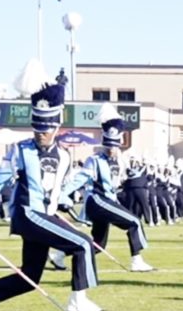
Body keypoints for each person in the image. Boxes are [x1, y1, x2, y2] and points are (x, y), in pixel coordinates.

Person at [0, 83, 103, 311]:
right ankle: (78, 300)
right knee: (83, 244)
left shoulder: (65, 156)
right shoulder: (20, 151)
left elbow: (57, 188)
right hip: (28, 214)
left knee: (30, 277)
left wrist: (64, 200)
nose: (40, 132)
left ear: (57, 126)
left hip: (44, 216)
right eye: (37, 127)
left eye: (46, 128)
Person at [58, 104, 154, 272]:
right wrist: (59, 195)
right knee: (134, 221)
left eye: (114, 146)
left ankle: (59, 254)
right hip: (97, 200)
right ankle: (136, 260)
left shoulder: (121, 161)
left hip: (108, 201)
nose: (112, 150)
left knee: (97, 245)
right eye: (109, 146)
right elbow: (78, 180)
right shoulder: (94, 160)